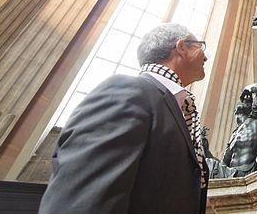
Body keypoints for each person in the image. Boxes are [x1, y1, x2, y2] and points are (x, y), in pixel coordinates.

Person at [40, 24, 209, 214]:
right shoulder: (128, 91)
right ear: (181, 47)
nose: (205, 56)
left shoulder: (177, 106)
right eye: (199, 46)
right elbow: (83, 200)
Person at [221, 83, 257, 176]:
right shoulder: (234, 134)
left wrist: (247, 89)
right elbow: (224, 163)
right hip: (230, 174)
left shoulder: (255, 119)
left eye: (248, 102)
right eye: (243, 101)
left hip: (246, 172)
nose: (245, 100)